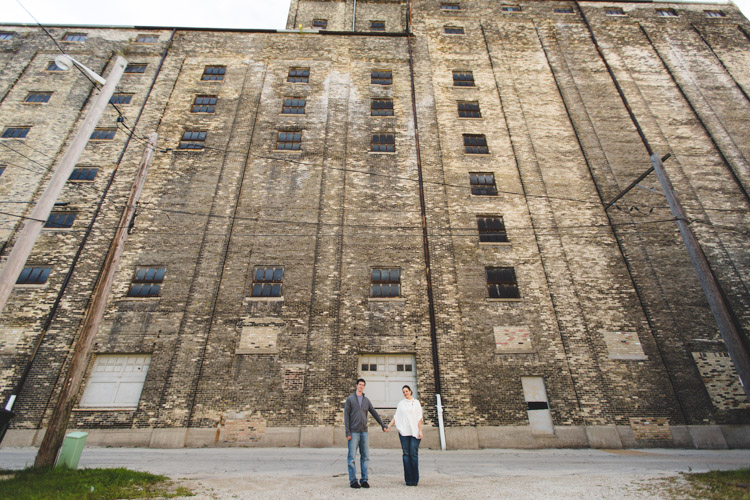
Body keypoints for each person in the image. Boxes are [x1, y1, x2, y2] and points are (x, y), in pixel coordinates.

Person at [344, 378, 387, 489]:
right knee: (352, 457)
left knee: (366, 456)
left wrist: (383, 424)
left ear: (364, 387)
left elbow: (374, 413)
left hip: (364, 432)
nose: (361, 386)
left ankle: (364, 480)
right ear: (356, 385)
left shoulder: (366, 400)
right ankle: (353, 480)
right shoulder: (350, 399)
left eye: (363, 385)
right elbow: (346, 416)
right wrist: (347, 432)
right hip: (353, 432)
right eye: (359, 384)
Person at [386, 385, 423, 486]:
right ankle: (408, 480)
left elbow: (419, 417)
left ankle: (415, 479)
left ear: (410, 391)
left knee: (413, 454)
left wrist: (420, 430)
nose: (405, 393)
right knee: (406, 455)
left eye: (407, 391)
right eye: (404, 392)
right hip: (404, 432)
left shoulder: (416, 403)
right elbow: (396, 417)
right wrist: (388, 426)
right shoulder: (401, 404)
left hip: (414, 432)